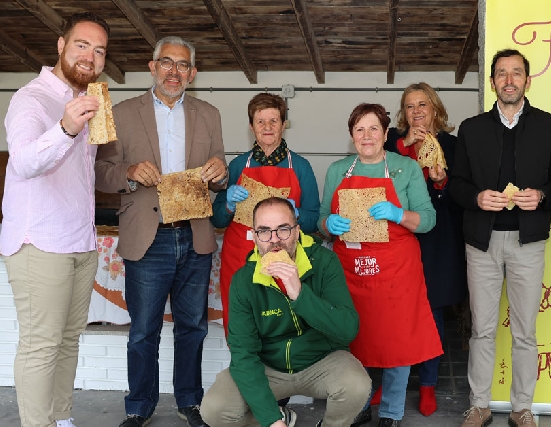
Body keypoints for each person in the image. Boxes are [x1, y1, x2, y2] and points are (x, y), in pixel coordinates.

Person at [94, 36, 227, 427]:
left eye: (182, 65)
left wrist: (221, 171)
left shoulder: (209, 114)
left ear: (193, 73)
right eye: (166, 63)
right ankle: (139, 405)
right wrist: (130, 173)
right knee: (143, 332)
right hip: (147, 238)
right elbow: (101, 173)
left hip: (195, 234)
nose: (174, 71)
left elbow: (219, 173)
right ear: (152, 68)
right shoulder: (122, 112)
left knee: (193, 328)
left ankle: (189, 400)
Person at [449, 49, 551, 427]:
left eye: (516, 73)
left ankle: (522, 409)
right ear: (492, 83)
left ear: (527, 81)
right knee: (482, 330)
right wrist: (476, 197)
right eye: (501, 73)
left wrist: (543, 196)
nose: (509, 80)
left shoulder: (549, 126)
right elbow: (456, 184)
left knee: (525, 333)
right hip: (482, 244)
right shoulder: (471, 128)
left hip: (528, 242)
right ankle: (479, 405)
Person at [1, 12, 109, 427]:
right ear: (61, 45)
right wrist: (65, 127)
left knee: (66, 341)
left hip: (79, 241)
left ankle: (61, 420)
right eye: (82, 45)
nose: (90, 56)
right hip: (39, 242)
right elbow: (25, 162)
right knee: (40, 345)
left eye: (99, 50)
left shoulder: (90, 101)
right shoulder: (33, 99)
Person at [318, 103, 442, 427]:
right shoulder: (337, 171)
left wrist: (399, 214)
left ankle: (391, 412)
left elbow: (428, 219)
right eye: (359, 129)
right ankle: (358, 407)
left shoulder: (406, 168)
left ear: (386, 134)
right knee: (354, 338)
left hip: (396, 272)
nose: (367, 135)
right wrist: (330, 225)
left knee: (396, 341)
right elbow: (319, 221)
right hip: (351, 270)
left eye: (374, 128)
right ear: (351, 136)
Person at [200, 197, 371, 427]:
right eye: (264, 231)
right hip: (268, 367)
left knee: (358, 386)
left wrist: (300, 295)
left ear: (297, 231)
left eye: (283, 229)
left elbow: (347, 330)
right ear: (255, 236)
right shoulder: (243, 281)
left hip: (320, 361)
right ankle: (281, 417)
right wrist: (272, 421)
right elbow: (243, 355)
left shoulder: (324, 262)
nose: (274, 241)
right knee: (214, 410)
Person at [383, 82, 467, 417]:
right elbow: (382, 180)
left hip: (436, 240)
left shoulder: (452, 145)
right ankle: (389, 385)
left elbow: (459, 200)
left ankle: (429, 384)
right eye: (409, 106)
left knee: (431, 312)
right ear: (403, 114)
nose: (417, 112)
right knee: (391, 313)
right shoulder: (391, 142)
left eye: (423, 105)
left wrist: (440, 181)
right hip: (397, 236)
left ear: (436, 109)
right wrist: (405, 146)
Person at [212, 92, 320, 336]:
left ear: (283, 124)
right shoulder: (238, 165)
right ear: (251, 127)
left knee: (281, 324)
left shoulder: (300, 166)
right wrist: (228, 203)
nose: (267, 127)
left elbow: (315, 220)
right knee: (241, 324)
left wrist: (297, 212)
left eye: (274, 120)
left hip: (285, 259)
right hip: (239, 258)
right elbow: (217, 219)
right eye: (260, 121)